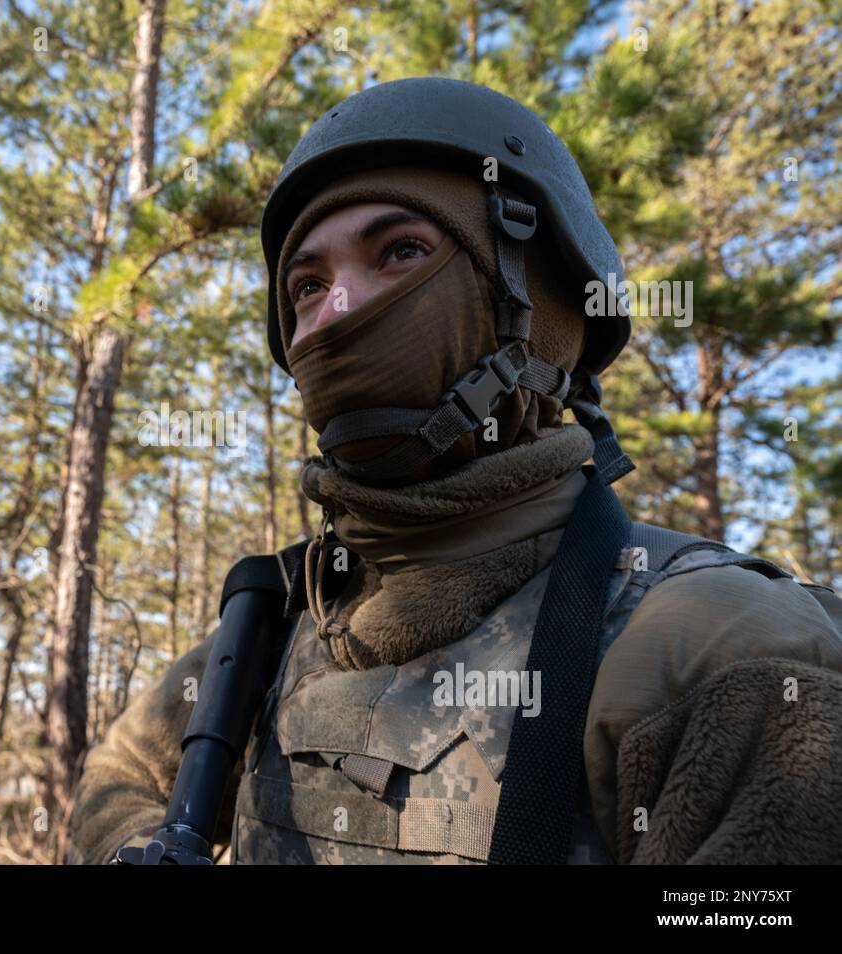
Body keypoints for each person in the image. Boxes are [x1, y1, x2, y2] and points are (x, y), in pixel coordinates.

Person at [66, 78, 842, 865]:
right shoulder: (289, 615)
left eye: (401, 252)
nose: (335, 311)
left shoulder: (720, 650)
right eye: (306, 286)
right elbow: (122, 774)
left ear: (541, 310)